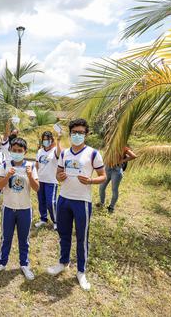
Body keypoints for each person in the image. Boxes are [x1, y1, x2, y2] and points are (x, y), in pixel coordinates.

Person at [47, 118, 106, 291]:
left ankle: (81, 271)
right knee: (64, 233)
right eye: (74, 133)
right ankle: (63, 262)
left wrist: (91, 180)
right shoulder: (64, 153)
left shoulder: (93, 153)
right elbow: (58, 173)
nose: (77, 135)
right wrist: (60, 177)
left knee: (82, 237)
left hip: (82, 201)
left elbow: (103, 175)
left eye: (81, 132)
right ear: (70, 134)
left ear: (86, 134)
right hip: (64, 199)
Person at [0, 138, 39, 280]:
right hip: (9, 208)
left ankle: (24, 264)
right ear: (10, 150)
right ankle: (2, 263)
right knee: (6, 238)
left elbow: (37, 188)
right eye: (14, 150)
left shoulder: (31, 166)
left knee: (24, 239)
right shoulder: (5, 165)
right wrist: (8, 175)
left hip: (25, 209)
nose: (16, 153)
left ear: (25, 152)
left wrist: (29, 175)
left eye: (20, 151)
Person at [97, 146, 137, 214]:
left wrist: (122, 161)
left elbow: (133, 156)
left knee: (114, 189)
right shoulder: (110, 145)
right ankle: (101, 203)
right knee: (101, 187)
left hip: (116, 170)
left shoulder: (123, 147)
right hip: (107, 168)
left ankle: (111, 207)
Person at [35, 131, 62, 230]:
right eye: (44, 139)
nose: (46, 141)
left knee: (51, 202)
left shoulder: (55, 150)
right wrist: (36, 176)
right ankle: (43, 219)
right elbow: (37, 164)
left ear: (51, 140)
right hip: (40, 179)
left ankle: (56, 221)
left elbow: (59, 153)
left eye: (48, 139)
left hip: (51, 180)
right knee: (41, 200)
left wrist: (58, 141)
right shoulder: (40, 151)